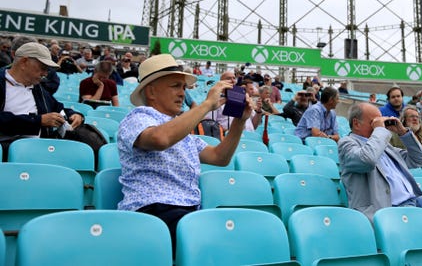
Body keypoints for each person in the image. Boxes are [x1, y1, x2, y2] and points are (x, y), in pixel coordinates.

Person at [117, 54, 254, 253]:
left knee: (241, 235)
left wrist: (240, 121)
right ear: (151, 91)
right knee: (228, 244)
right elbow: (160, 139)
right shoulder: (137, 118)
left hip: (185, 215)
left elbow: (219, 157)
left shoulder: (181, 131)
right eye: (175, 86)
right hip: (152, 213)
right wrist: (207, 104)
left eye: (183, 87)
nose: (182, 93)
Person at [338, 102, 422, 222]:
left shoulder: (384, 146)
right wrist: (380, 130)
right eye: (374, 122)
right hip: (389, 208)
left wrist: (403, 132)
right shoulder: (347, 143)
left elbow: (419, 160)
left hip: (414, 201)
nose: (380, 124)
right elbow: (367, 160)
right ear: (356, 123)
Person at [0, 42, 84, 159]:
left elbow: (57, 107)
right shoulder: (2, 83)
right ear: (24, 62)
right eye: (43, 68)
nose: (45, 74)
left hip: (39, 150)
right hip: (6, 153)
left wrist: (74, 115)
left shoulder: (37, 88)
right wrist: (38, 121)